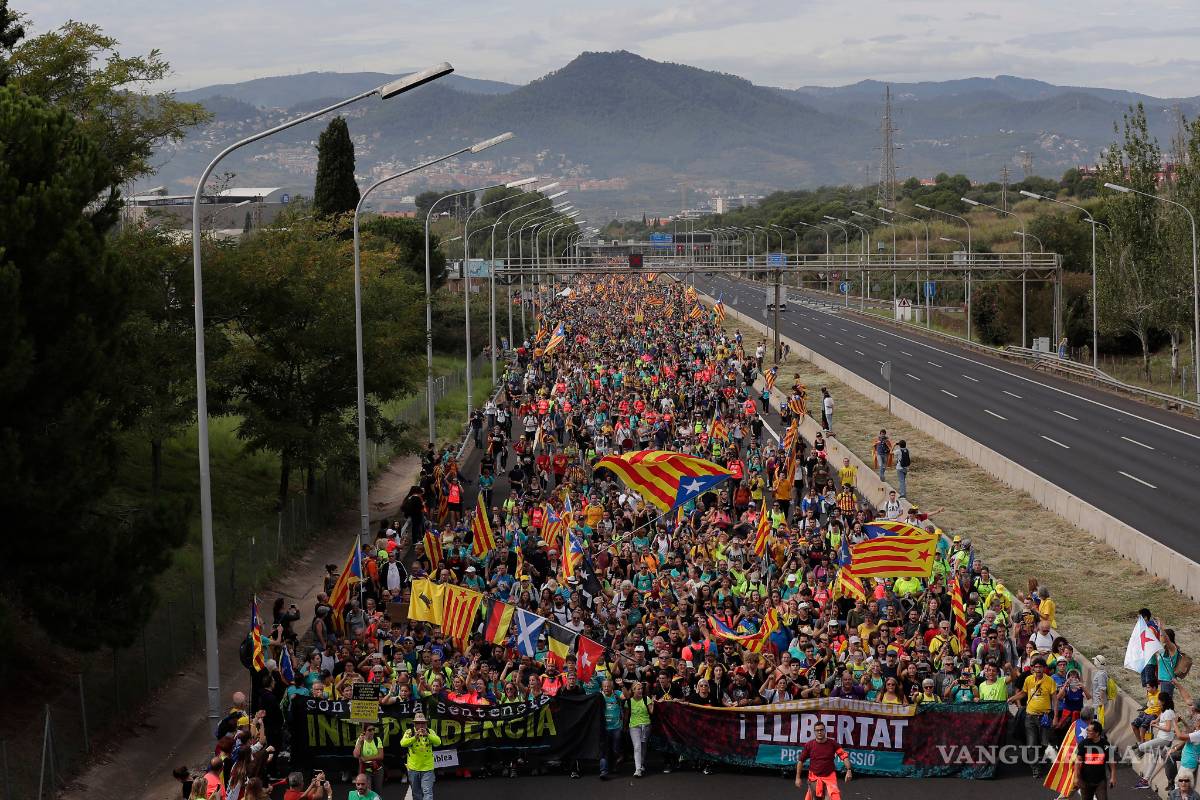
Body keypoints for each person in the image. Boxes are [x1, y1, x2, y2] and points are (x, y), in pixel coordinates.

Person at [1009, 658, 1056, 776]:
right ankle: (1035, 767)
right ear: (1033, 668)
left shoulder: (1050, 681)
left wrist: (1055, 717)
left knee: (1044, 743)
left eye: (1040, 667)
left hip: (1045, 716)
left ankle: (1039, 758)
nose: (1038, 669)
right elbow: (1024, 693)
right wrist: (1013, 698)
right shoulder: (1028, 679)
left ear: (1044, 668)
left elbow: (1055, 699)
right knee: (1031, 744)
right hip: (1030, 716)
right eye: (1036, 667)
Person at [794, 721, 851, 800]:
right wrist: (797, 777)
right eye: (817, 730)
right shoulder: (809, 745)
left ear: (825, 731)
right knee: (815, 798)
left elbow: (843, 756)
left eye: (821, 730)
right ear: (814, 732)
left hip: (829, 777)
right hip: (814, 777)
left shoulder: (833, 743)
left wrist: (849, 770)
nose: (819, 732)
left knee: (831, 797)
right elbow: (800, 761)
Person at [400, 712, 442, 800]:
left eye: (423, 723)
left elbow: (438, 742)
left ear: (426, 724)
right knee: (416, 793)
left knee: (427, 792)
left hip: (427, 768)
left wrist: (428, 735)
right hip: (413, 768)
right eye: (418, 723)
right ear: (414, 724)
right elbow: (402, 743)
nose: (421, 725)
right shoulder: (409, 732)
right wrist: (414, 738)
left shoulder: (430, 731)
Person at [1073, 720, 1116, 800]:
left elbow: (1111, 761)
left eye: (1089, 731)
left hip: (1100, 781)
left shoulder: (1106, 744)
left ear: (1097, 733)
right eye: (1087, 730)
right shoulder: (1083, 744)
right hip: (1085, 781)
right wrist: (1076, 777)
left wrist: (1113, 777)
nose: (1087, 731)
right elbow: (1078, 761)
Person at [626, 680, 654, 777]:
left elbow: (651, 712)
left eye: (641, 688)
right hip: (634, 726)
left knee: (643, 746)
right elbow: (626, 715)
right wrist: (624, 726)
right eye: (638, 689)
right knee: (637, 746)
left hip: (646, 725)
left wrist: (653, 702)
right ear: (633, 690)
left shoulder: (646, 699)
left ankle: (641, 764)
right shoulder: (629, 701)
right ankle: (638, 769)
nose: (640, 690)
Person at [353, 723, 385, 794]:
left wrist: (366, 759)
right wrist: (359, 743)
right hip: (365, 770)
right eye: (369, 730)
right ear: (364, 732)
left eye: (373, 729)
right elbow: (356, 755)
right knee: (367, 792)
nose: (372, 732)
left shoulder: (377, 739)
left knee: (378, 791)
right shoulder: (360, 740)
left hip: (377, 768)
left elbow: (381, 756)